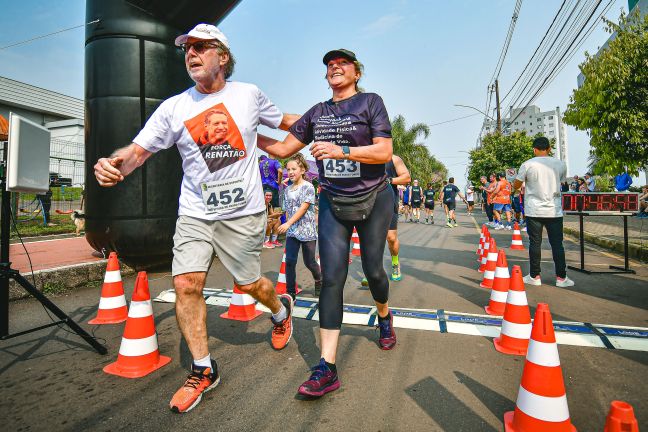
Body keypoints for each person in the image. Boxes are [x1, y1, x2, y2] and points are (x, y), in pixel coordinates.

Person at [93, 24, 299, 413]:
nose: (191, 53)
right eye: (187, 48)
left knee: (250, 284)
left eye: (201, 47)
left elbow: (285, 123)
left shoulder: (248, 95)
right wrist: (115, 164)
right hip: (195, 213)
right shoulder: (175, 107)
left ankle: (280, 309)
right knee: (187, 283)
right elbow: (137, 151)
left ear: (222, 56)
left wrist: (331, 121)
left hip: (242, 214)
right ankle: (204, 369)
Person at [257, 48, 395, 397]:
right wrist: (245, 134)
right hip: (333, 201)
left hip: (375, 198)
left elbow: (383, 152)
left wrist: (342, 151)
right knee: (332, 278)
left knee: (374, 271)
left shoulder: (371, 103)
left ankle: (384, 316)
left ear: (356, 73)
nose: (334, 67)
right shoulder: (318, 113)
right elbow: (284, 148)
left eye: (342, 63)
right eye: (330, 65)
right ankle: (327, 368)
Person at [513, 136, 574, 288]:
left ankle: (535, 276)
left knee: (535, 243)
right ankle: (561, 278)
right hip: (554, 210)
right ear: (549, 149)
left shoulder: (527, 164)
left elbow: (517, 184)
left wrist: (518, 184)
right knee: (557, 245)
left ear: (534, 149)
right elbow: (561, 181)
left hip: (534, 210)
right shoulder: (560, 164)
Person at [277, 154, 322, 299]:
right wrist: (286, 224)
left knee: (309, 262)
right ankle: (290, 292)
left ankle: (319, 279)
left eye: (294, 169)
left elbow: (303, 208)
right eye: (288, 169)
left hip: (307, 231)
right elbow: (287, 210)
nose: (290, 172)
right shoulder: (287, 190)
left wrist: (288, 223)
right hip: (292, 232)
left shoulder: (308, 187)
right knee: (290, 261)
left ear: (302, 170)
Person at [385, 155, 411, 280]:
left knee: (391, 238)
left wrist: (389, 180)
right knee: (371, 238)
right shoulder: (362, 156)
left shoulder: (394, 159)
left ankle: (395, 262)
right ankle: (372, 271)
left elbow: (406, 178)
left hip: (388, 202)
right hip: (368, 203)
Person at [259, 154, 283, 232]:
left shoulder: (261, 163)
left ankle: (265, 235)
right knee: (275, 208)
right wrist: (279, 181)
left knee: (265, 207)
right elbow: (280, 171)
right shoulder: (275, 162)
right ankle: (274, 235)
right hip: (273, 186)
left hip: (263, 186)